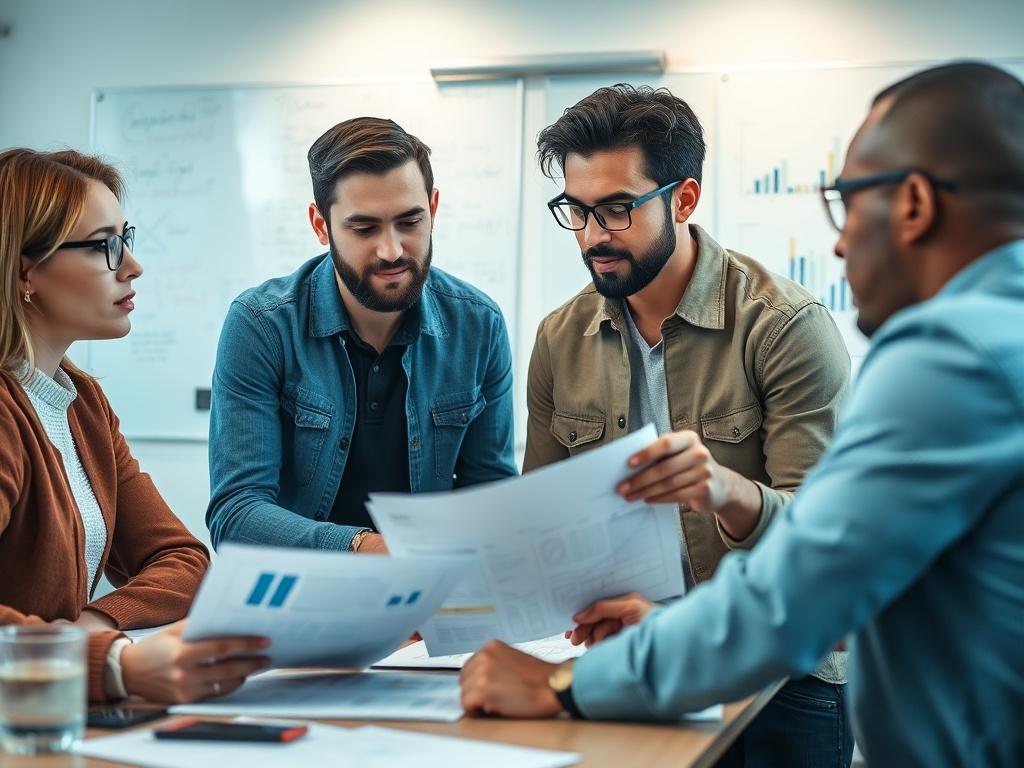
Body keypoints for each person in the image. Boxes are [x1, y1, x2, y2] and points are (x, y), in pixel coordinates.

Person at [459, 62, 1024, 767]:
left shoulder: (948, 353)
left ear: (913, 204)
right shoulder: (1001, 335)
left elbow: (805, 591)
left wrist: (567, 684)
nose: (841, 244)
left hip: (774, 685)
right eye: (577, 210)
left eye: (846, 203)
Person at [519, 84, 852, 764]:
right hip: (621, 667)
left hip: (779, 685)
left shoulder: (784, 328)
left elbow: (828, 554)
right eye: (575, 212)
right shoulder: (561, 338)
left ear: (684, 198)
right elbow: (543, 527)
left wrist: (725, 492)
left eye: (616, 210)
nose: (592, 237)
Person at [0, 148, 270, 704]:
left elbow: (183, 559)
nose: (132, 265)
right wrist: (114, 664)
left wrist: (94, 625)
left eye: (127, 239)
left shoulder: (84, 407)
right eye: (105, 246)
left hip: (47, 706)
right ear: (26, 268)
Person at [206, 117, 516, 554]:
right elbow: (236, 516)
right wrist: (374, 550)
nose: (391, 250)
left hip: (429, 597)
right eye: (365, 229)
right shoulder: (261, 325)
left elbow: (491, 501)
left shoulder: (478, 325)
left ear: (434, 208)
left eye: (410, 222)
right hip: (302, 596)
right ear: (320, 226)